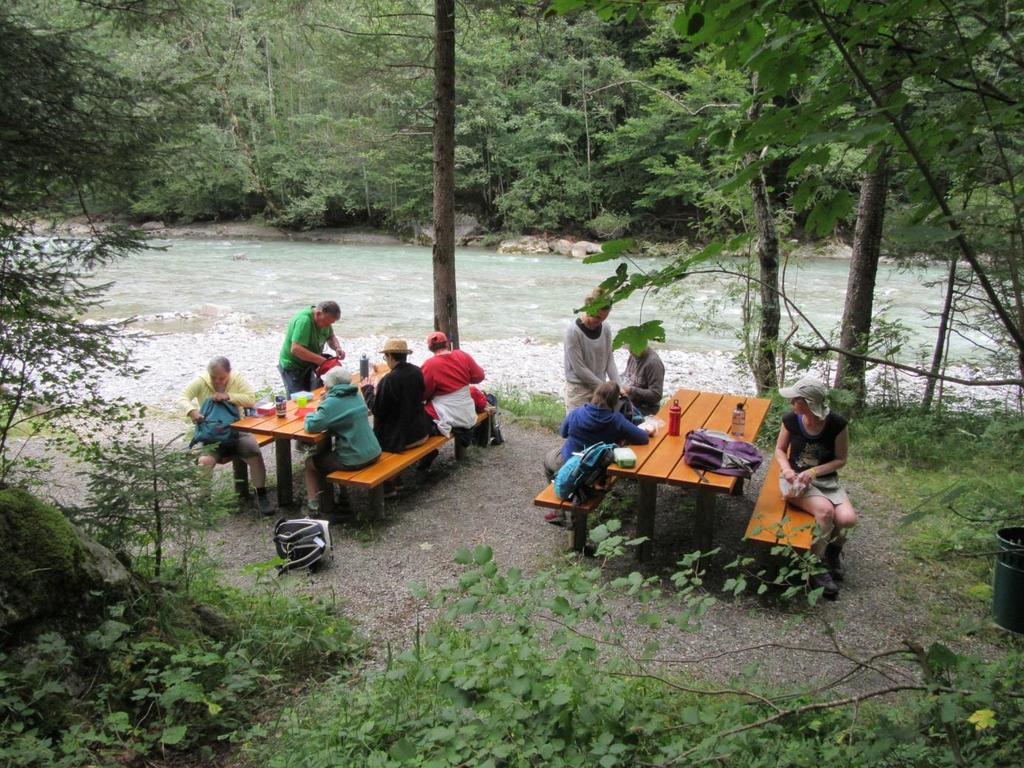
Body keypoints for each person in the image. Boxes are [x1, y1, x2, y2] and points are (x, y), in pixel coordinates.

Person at [775, 375, 858, 600]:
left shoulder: (836, 424)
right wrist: (787, 470)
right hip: (795, 482)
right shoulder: (791, 420)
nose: (792, 402)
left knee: (848, 520)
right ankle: (815, 565)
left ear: (809, 403)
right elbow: (780, 450)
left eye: (796, 399)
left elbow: (841, 459)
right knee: (825, 512)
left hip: (825, 480)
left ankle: (832, 553)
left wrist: (814, 472)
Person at [181, 356, 272, 515]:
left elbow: (251, 399)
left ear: (229, 373)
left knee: (255, 454)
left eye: (222, 378)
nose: (218, 382)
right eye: (213, 378)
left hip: (236, 431)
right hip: (212, 434)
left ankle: (261, 495)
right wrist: (191, 411)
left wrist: (229, 396)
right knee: (205, 461)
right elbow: (182, 397)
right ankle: (204, 501)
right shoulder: (201, 381)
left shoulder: (237, 379)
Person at [302, 365, 381, 514]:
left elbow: (312, 426)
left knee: (310, 463)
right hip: (374, 451)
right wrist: (328, 400)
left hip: (355, 458)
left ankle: (313, 506)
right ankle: (343, 495)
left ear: (329, 385)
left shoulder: (331, 404)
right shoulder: (357, 395)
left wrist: (311, 413)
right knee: (336, 453)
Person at [543, 381, 652, 481]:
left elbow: (563, 433)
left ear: (596, 394)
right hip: (596, 467)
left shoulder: (577, 412)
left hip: (570, 460)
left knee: (548, 459)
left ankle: (555, 486)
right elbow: (643, 438)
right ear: (615, 401)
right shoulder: (616, 420)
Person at [360, 338, 433, 453]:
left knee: (367, 436)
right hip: (421, 431)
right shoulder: (417, 371)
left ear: (389, 356)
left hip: (401, 439)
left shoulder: (389, 380)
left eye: (385, 357)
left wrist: (367, 389)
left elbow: (377, 410)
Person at [563, 287, 620, 412]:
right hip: (579, 391)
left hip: (600, 390)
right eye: (597, 317)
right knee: (576, 428)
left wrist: (618, 387)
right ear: (589, 309)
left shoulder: (605, 328)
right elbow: (579, 368)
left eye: (603, 318)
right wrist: (604, 388)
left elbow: (609, 359)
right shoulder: (573, 331)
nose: (599, 322)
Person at [421, 331, 486, 437]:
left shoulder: (430, 364)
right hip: (467, 412)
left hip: (446, 413)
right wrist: (462, 380)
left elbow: (423, 393)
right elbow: (479, 376)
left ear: (430, 348)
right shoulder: (462, 355)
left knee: (419, 413)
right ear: (447, 343)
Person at [278, 301, 345, 396]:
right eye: (326, 323)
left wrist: (337, 348)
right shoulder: (304, 321)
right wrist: (322, 361)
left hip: (309, 363)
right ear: (318, 314)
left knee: (312, 394)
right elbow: (296, 349)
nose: (327, 326)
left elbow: (331, 337)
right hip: (293, 366)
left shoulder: (325, 319)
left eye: (330, 323)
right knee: (298, 398)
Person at [621, 343, 665, 417]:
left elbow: (656, 395)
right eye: (629, 350)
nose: (630, 352)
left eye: (632, 350)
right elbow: (626, 376)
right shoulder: (633, 355)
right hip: (631, 402)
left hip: (646, 409)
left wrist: (631, 390)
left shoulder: (653, 363)